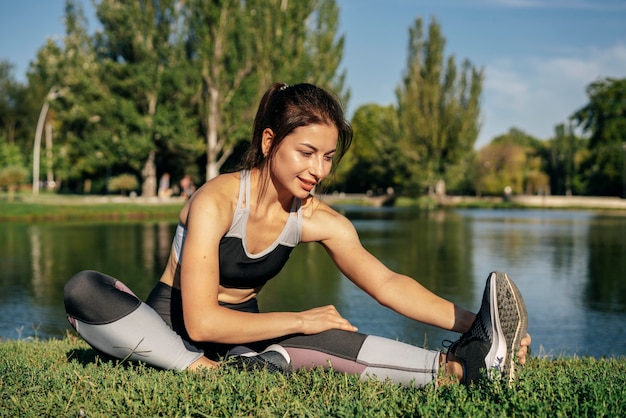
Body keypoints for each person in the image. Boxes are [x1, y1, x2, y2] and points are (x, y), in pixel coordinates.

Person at [64, 83, 530, 387]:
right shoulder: (216, 201)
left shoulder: (317, 219)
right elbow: (203, 322)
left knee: (318, 342)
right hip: (172, 326)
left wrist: (477, 326)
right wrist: (300, 319)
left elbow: (386, 284)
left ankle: (463, 368)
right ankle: (203, 369)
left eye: (328, 157)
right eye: (307, 152)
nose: (318, 170)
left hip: (242, 336)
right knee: (85, 290)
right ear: (270, 143)